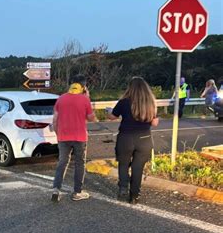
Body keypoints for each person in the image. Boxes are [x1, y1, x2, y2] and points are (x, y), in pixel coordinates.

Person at [107, 77, 159, 204]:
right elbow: (154, 123)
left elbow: (112, 117)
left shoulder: (124, 102)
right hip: (145, 138)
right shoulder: (150, 103)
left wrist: (108, 111)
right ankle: (134, 195)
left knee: (123, 164)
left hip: (126, 137)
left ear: (130, 88)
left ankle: (123, 188)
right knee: (138, 167)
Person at [51, 74, 96, 202]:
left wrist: (58, 134)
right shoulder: (84, 99)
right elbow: (91, 118)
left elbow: (55, 120)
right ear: (84, 86)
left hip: (63, 136)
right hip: (80, 137)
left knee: (62, 162)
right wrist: (87, 99)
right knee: (79, 163)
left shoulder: (61, 99)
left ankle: (56, 189)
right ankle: (77, 192)